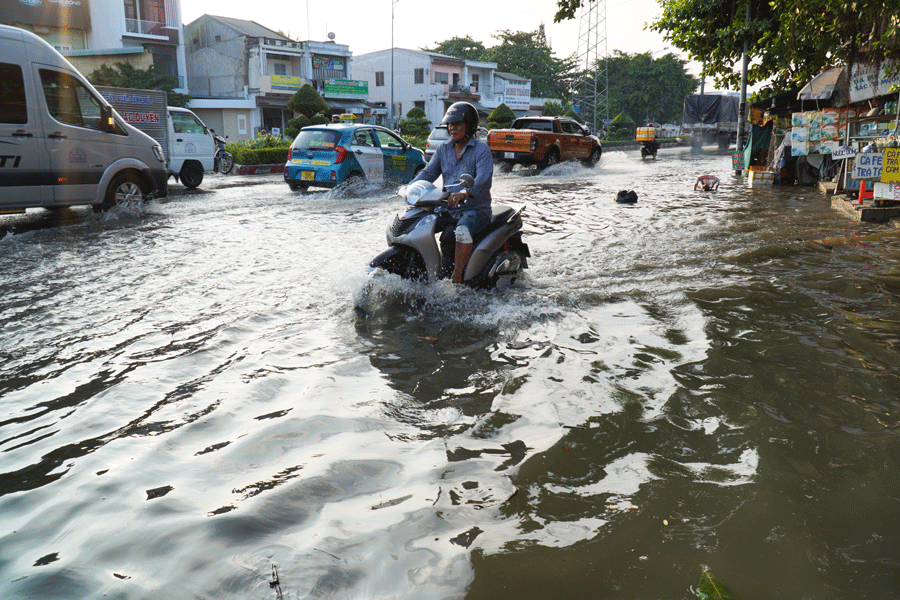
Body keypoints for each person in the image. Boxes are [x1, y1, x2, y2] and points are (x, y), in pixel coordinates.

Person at [411, 102, 493, 284]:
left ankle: (457, 277)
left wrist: (465, 193)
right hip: (447, 209)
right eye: (450, 125)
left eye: (457, 124)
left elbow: (483, 178)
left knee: (462, 230)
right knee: (417, 223)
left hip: (476, 210)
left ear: (469, 126)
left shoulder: (481, 151)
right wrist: (410, 188)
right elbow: (428, 173)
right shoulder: (443, 149)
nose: (452, 128)